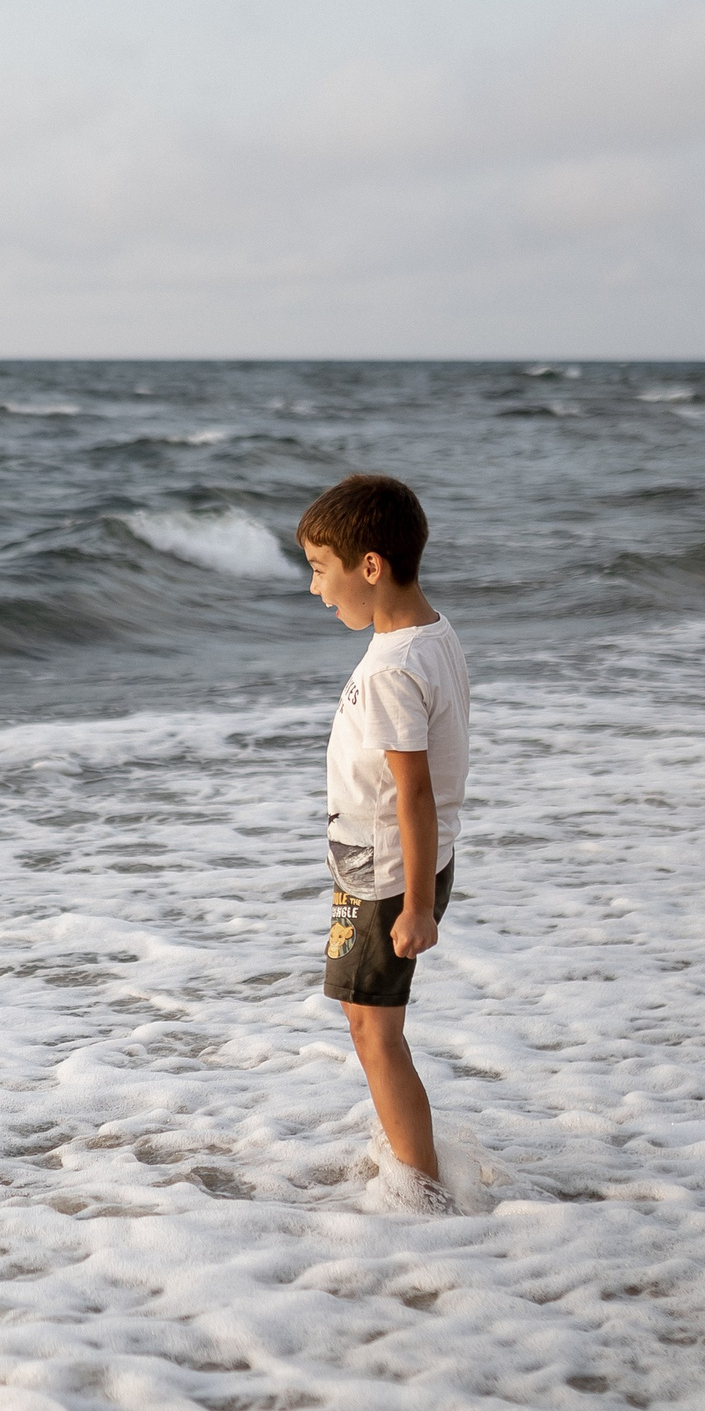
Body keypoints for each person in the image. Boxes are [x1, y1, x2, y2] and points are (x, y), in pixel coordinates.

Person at [297, 475, 471, 1213]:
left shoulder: (394, 666)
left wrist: (419, 907)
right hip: (396, 863)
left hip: (386, 872)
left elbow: (415, 792)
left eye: (318, 568)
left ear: (369, 566)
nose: (314, 589)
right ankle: (407, 1157)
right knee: (369, 1021)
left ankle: (419, 1189)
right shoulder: (431, 636)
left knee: (375, 1031)